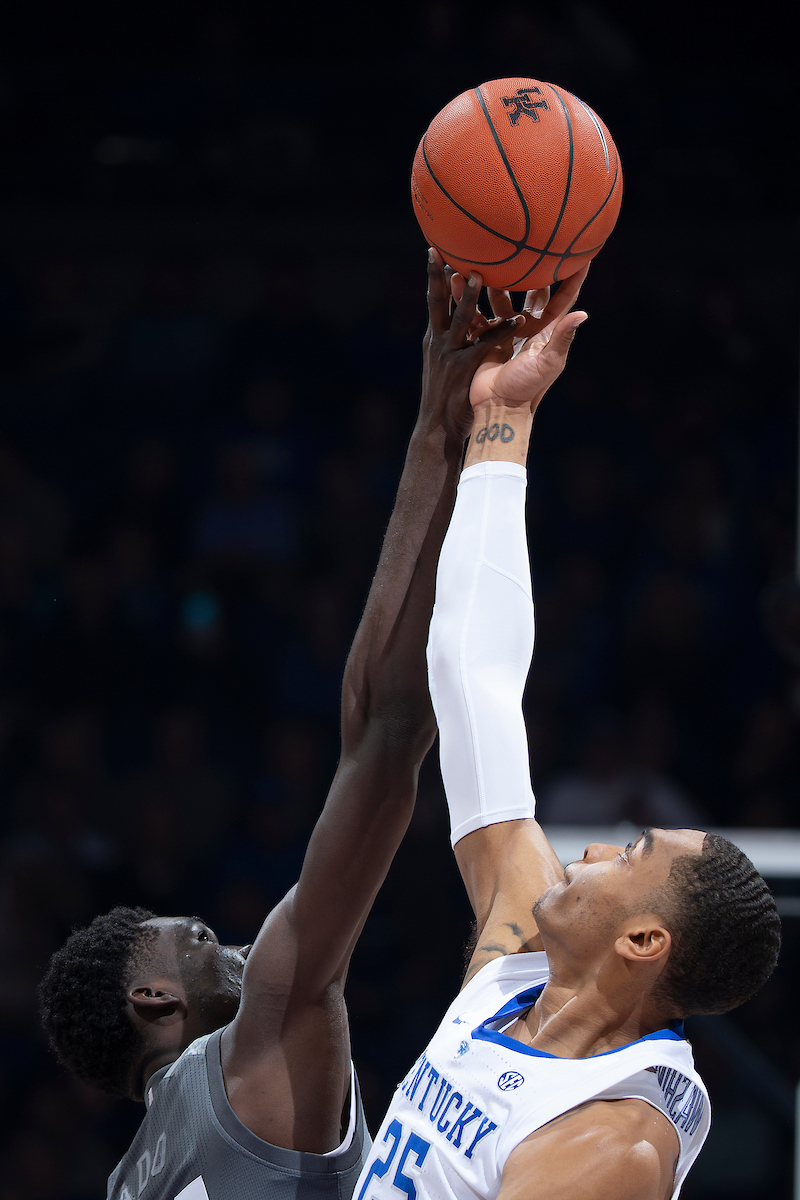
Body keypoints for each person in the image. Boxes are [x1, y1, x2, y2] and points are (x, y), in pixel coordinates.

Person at [37, 252, 538, 1200]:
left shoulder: (122, 1184)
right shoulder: (252, 1042)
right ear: (156, 1000)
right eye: (196, 942)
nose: (230, 943)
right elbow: (386, 731)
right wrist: (452, 428)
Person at [355, 274, 781, 1200]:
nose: (587, 847)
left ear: (640, 942)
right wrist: (504, 427)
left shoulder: (613, 1143)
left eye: (628, 852)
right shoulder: (518, 968)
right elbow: (477, 691)